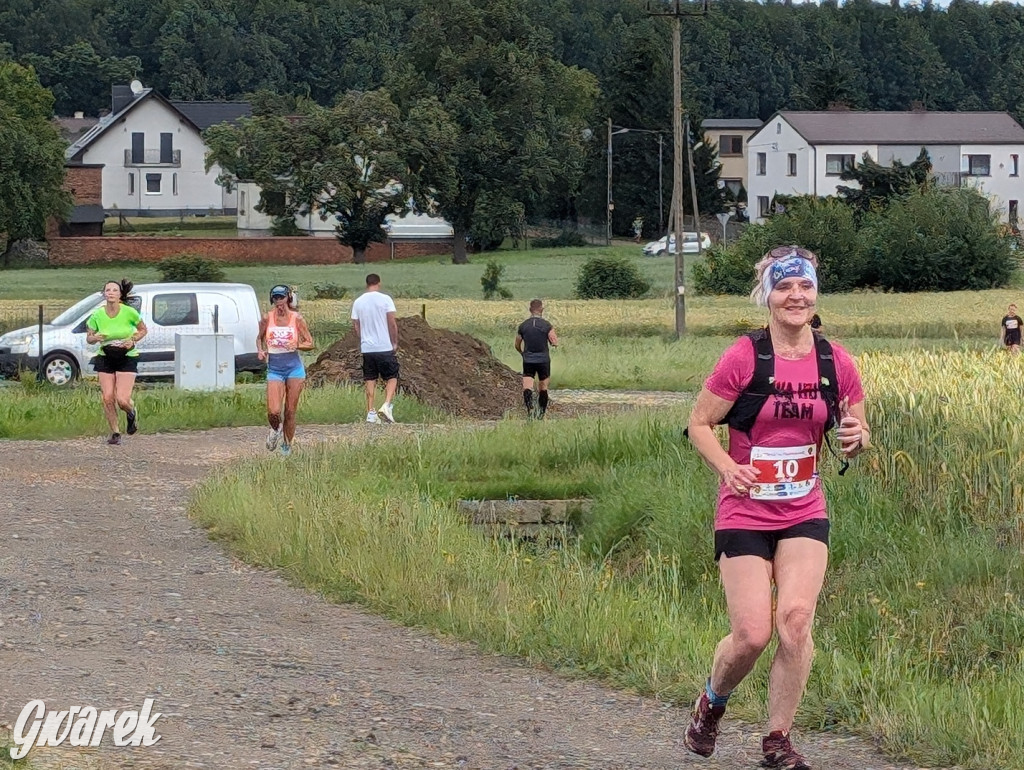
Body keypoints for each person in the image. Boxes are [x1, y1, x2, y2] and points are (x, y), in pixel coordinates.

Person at [684, 245, 869, 769]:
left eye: (805, 287)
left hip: (804, 507)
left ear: (815, 295)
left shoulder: (836, 361)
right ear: (768, 296)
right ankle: (711, 703)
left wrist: (857, 438)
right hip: (744, 507)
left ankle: (777, 739)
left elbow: (855, 430)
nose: (796, 296)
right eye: (785, 287)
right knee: (752, 634)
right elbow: (699, 424)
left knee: (794, 621)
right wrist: (727, 466)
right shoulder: (744, 356)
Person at [85, 279, 148, 445]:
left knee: (122, 399)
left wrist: (133, 340)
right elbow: (89, 338)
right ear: (104, 294)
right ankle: (115, 433)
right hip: (105, 356)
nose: (111, 293)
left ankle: (131, 412)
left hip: (126, 356)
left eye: (114, 290)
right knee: (107, 397)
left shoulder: (129, 312)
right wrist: (94, 337)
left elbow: (143, 330)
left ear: (120, 294)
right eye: (108, 290)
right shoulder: (97, 315)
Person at [257, 284, 314, 456]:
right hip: (275, 368)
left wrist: (296, 344)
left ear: (288, 299)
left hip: (294, 369)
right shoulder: (268, 318)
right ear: (272, 300)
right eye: (276, 298)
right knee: (273, 411)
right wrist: (260, 350)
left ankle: (287, 447)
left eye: (281, 298)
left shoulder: (297, 319)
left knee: (290, 410)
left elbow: (310, 343)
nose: (279, 302)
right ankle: (275, 429)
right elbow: (259, 338)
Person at [351, 273, 399, 424]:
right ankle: (386, 405)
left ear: (367, 284)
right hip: (384, 346)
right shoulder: (385, 299)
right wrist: (394, 341)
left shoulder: (358, 302)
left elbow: (356, 325)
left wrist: (363, 338)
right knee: (392, 376)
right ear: (379, 283)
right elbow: (391, 322)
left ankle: (370, 412)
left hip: (367, 348)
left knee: (370, 379)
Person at [515, 299, 559, 418]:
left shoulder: (523, 326)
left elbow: (517, 343)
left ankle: (530, 410)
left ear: (530, 310)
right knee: (543, 387)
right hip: (543, 360)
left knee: (527, 386)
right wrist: (552, 343)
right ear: (542, 310)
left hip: (528, 359)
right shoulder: (547, 325)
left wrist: (522, 352)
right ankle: (541, 414)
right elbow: (554, 341)